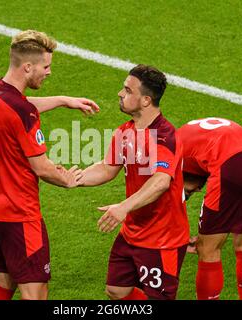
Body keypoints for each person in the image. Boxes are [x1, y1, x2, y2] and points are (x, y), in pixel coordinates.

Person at [0, 29, 99, 300]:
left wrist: (62, 101)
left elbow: (20, 105)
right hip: (20, 215)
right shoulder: (23, 113)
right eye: (46, 66)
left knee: (4, 282)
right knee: (36, 292)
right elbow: (42, 167)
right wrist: (67, 179)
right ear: (28, 66)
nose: (49, 72)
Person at [78, 64, 189, 300]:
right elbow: (107, 168)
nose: (120, 93)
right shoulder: (126, 131)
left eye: (128, 90)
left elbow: (161, 182)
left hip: (162, 239)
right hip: (132, 232)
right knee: (116, 291)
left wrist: (123, 208)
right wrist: (71, 178)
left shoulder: (165, 136)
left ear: (146, 100)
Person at [178, 117, 242, 300]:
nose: (199, 189)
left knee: (208, 250)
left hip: (232, 168)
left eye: (187, 192)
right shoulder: (201, 137)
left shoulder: (172, 151)